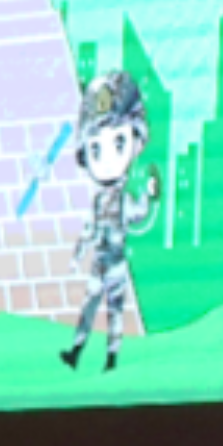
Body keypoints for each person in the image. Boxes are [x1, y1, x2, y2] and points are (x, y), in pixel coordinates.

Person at [60, 70, 158, 372]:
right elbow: (90, 230)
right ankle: (77, 351)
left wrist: (149, 195)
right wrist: (78, 255)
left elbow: (138, 214)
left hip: (114, 263)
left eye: (118, 143)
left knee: (115, 311)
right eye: (95, 148)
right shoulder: (99, 200)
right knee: (89, 306)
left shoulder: (122, 200)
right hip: (99, 262)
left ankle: (112, 357)